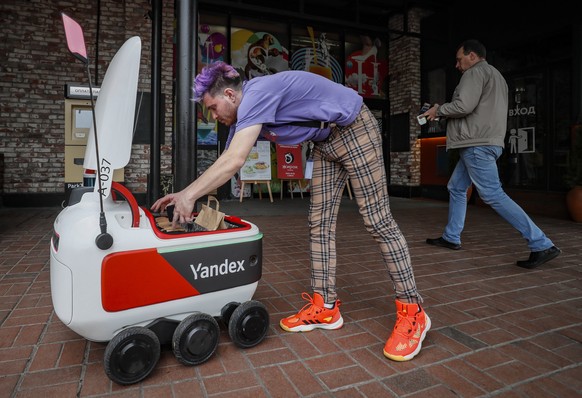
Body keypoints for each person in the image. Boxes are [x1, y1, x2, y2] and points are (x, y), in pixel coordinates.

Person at [151, 61, 430, 362]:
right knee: (319, 225)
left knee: (378, 220)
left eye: (214, 108)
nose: (215, 117)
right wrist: (184, 193)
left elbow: (234, 160)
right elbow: (226, 162)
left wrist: (189, 195)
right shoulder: (244, 117)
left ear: (230, 95)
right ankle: (325, 307)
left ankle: (413, 311)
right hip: (325, 142)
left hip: (354, 127)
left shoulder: (257, 95)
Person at [422, 39, 560, 269]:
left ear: (473, 56)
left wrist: (439, 110)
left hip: (477, 144)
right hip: (487, 142)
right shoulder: (497, 76)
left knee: (493, 195)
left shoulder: (474, 73)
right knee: (456, 187)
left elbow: (463, 106)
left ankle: (541, 243)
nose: (457, 65)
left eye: (459, 59)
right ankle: (451, 236)